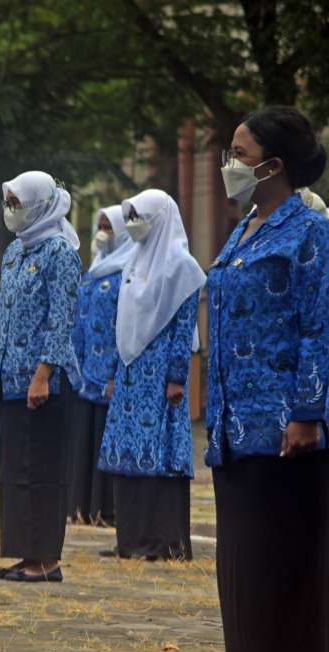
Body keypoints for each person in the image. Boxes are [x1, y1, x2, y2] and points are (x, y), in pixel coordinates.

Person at [188, 106, 329, 652]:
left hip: (282, 424)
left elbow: (319, 327)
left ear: (274, 165)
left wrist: (307, 411)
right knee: (241, 556)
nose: (229, 164)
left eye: (240, 154)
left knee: (279, 553)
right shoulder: (246, 226)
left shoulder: (308, 231)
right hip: (232, 420)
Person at [0, 171, 81, 583]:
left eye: (18, 203)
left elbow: (62, 317)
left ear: (40, 204)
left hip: (43, 381)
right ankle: (25, 554)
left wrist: (43, 373)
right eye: (8, 203)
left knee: (41, 468)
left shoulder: (60, 251)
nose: (11, 211)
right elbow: (2, 316)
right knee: (14, 469)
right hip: (8, 377)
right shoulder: (14, 252)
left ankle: (47, 560)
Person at [96, 190, 203, 560]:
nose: (133, 225)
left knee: (161, 451)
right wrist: (113, 370)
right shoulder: (134, 261)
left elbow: (183, 325)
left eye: (140, 216)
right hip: (129, 372)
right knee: (128, 452)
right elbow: (122, 323)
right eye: (131, 216)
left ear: (160, 218)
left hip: (160, 377)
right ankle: (131, 538)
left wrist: (177, 375)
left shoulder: (182, 265)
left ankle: (163, 541)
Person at [68, 206, 132, 526]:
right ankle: (82, 506)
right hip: (86, 371)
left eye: (110, 226)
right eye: (101, 224)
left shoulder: (127, 271)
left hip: (109, 371)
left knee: (105, 437)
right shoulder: (94, 270)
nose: (103, 231)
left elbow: (125, 327)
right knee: (85, 437)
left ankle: (106, 508)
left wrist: (114, 372)